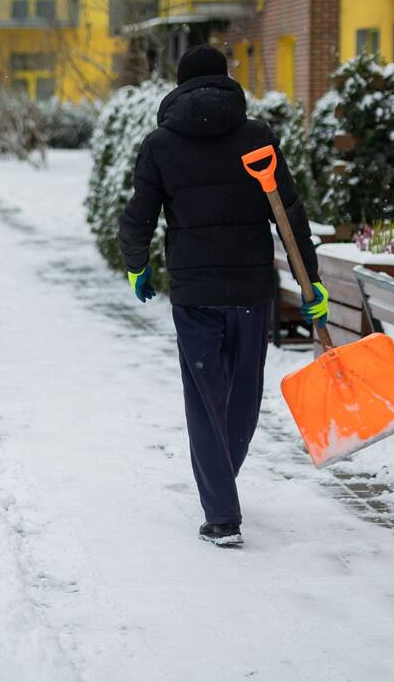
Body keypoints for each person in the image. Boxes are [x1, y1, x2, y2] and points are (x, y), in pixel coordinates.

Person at [118, 44, 328, 547]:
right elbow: (290, 213)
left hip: (194, 291)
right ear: (226, 79)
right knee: (244, 393)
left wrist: (136, 264)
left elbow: (139, 213)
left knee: (204, 394)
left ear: (178, 84)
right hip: (251, 289)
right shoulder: (256, 138)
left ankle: (219, 508)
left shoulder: (161, 143)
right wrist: (310, 278)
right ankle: (221, 492)